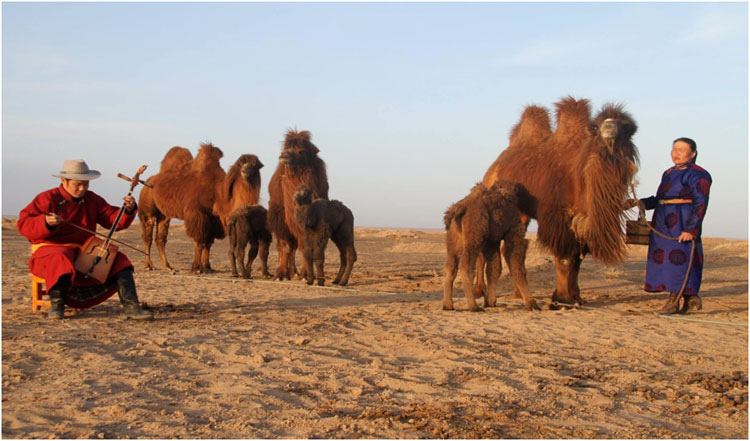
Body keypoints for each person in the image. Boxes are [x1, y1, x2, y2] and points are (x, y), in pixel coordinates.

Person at [17, 159, 153, 320]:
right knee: (60, 258)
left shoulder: (92, 199)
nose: (82, 189)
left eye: (86, 184)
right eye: (77, 184)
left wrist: (128, 210)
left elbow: (112, 219)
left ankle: (131, 307)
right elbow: (24, 224)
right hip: (50, 252)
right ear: (63, 181)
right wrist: (45, 222)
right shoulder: (47, 198)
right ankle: (57, 306)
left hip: (84, 252)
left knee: (120, 261)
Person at [639, 138, 712, 315]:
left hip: (682, 220)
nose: (676, 153)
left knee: (680, 260)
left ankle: (674, 302)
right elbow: (661, 198)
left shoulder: (699, 174)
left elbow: (701, 202)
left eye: (681, 150)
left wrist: (691, 229)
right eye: (674, 149)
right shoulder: (668, 173)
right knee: (664, 261)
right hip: (663, 221)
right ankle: (690, 298)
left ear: (693, 153)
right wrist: (642, 203)